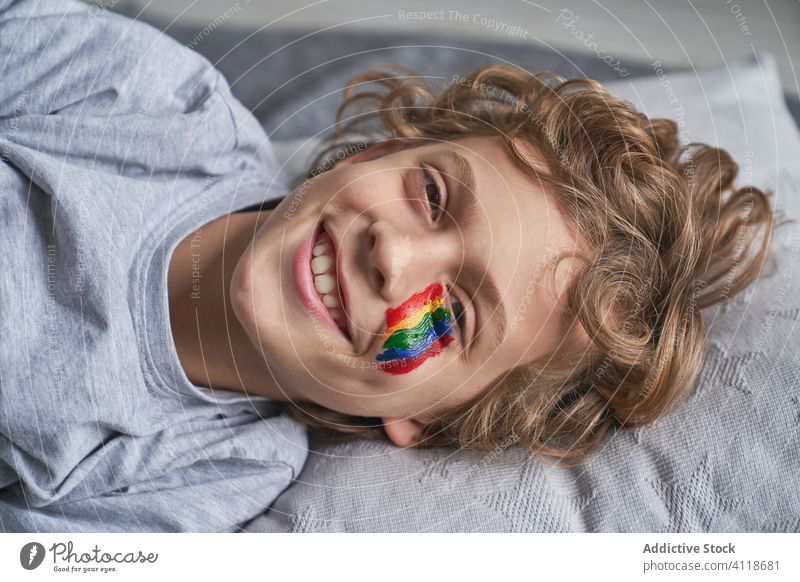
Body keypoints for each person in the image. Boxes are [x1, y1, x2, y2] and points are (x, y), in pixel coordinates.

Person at [0, 0, 773, 532]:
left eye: (458, 313)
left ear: (429, 418)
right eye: (432, 194)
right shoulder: (150, 104)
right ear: (376, 152)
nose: (395, 254)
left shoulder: (212, 477)